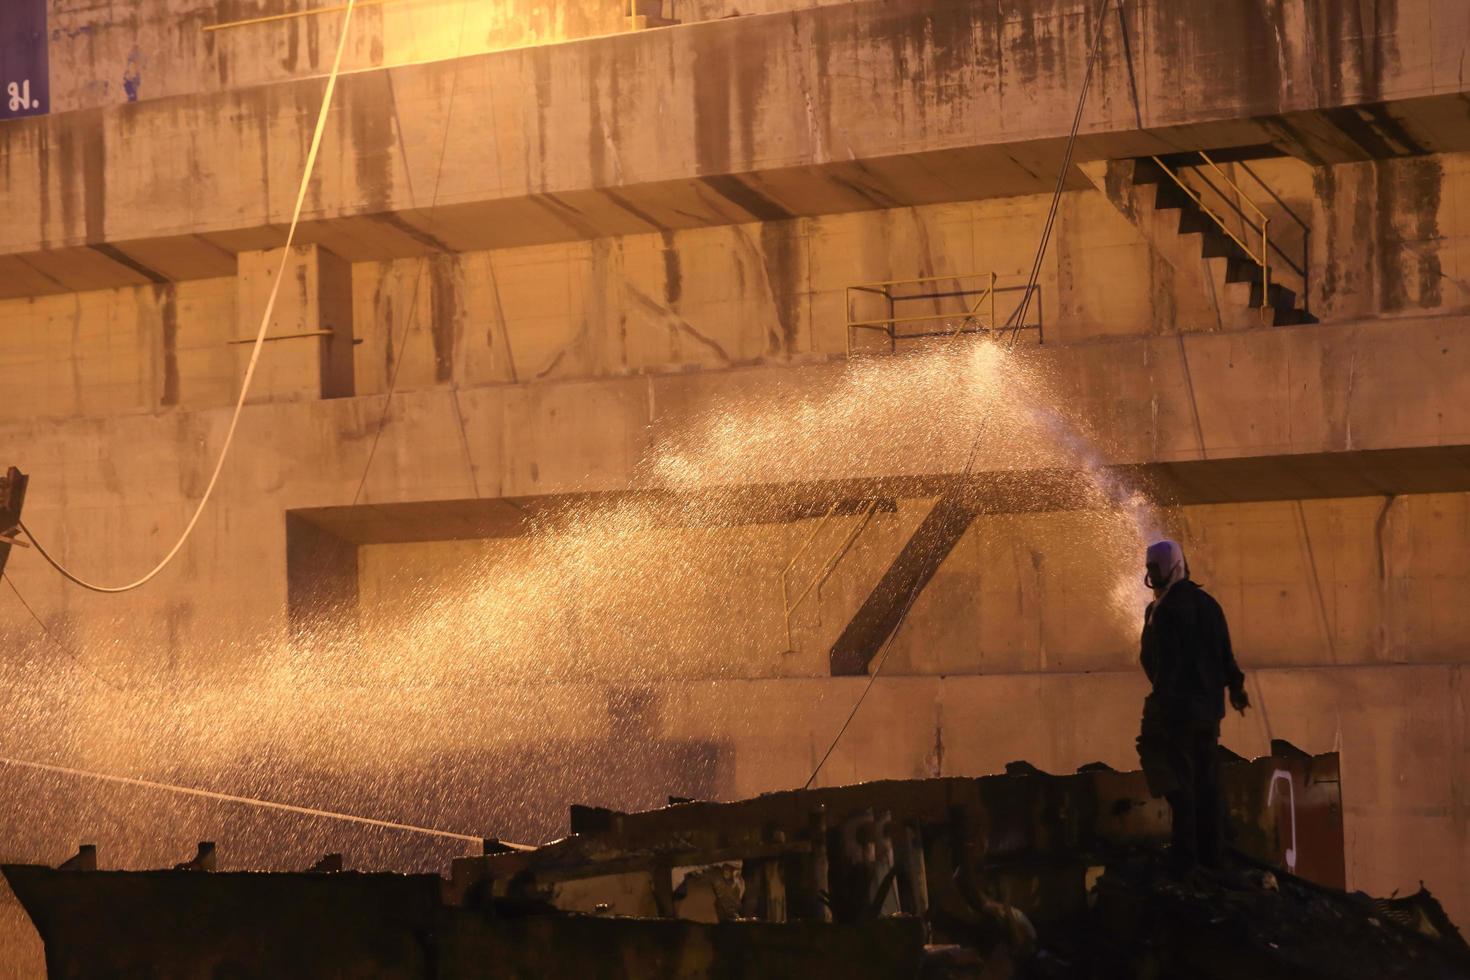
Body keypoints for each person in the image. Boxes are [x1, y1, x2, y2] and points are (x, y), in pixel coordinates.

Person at [1135, 539, 1248, 872]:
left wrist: (1158, 708)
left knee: (1181, 788)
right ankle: (1213, 857)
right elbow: (1227, 655)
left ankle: (1187, 860)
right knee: (1207, 785)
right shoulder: (1209, 605)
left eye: (1154, 570)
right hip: (1208, 714)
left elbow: (1163, 666)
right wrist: (1237, 689)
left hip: (1176, 715)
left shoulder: (1162, 612)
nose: (1152, 577)